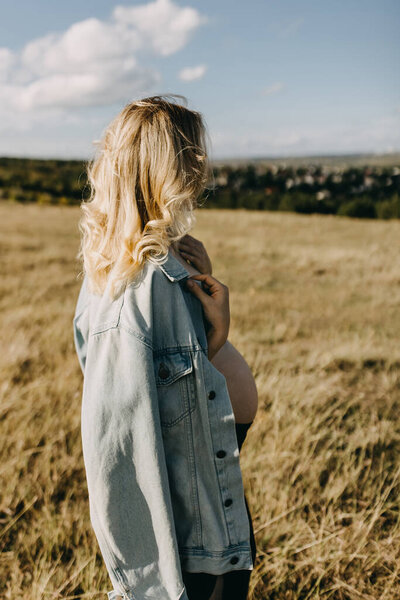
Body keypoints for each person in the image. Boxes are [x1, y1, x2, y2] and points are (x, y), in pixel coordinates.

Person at [72, 95, 258, 600]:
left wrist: (215, 330)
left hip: (212, 520)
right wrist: (152, 587)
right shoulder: (132, 296)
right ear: (173, 173)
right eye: (193, 162)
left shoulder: (167, 267)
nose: (201, 177)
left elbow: (194, 381)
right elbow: (117, 455)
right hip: (185, 560)